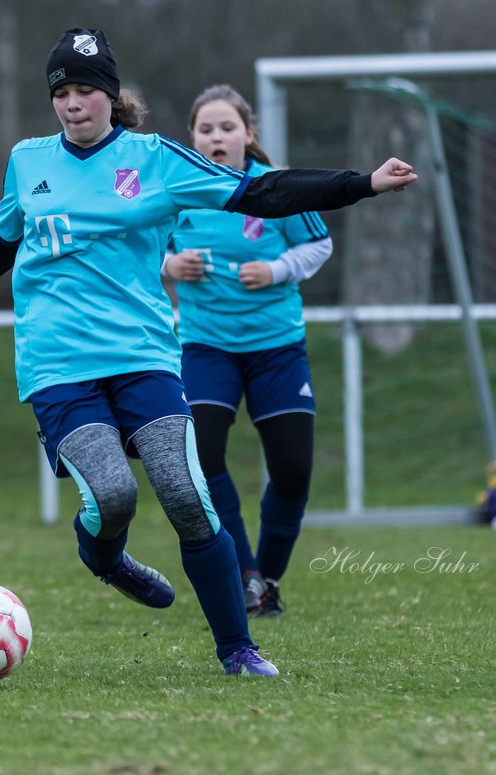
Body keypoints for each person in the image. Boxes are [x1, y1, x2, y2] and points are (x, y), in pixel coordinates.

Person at [0, 27, 418, 676]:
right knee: (113, 497)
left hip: (144, 357)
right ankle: (106, 557)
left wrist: (362, 183)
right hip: (57, 366)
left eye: (85, 89)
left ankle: (238, 649)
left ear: (110, 96)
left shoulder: (157, 160)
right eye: (62, 91)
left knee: (186, 496)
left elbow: (264, 192)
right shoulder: (29, 162)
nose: (73, 102)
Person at [163, 84, 328, 617]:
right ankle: (245, 575)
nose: (216, 137)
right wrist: (168, 266)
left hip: (276, 347)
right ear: (193, 138)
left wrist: (277, 269)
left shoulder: (274, 189)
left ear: (248, 135)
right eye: (206, 129)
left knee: (293, 469)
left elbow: (319, 243)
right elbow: (139, 248)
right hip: (205, 346)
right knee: (202, 457)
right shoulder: (177, 192)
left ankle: (269, 578)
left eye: (227, 127)